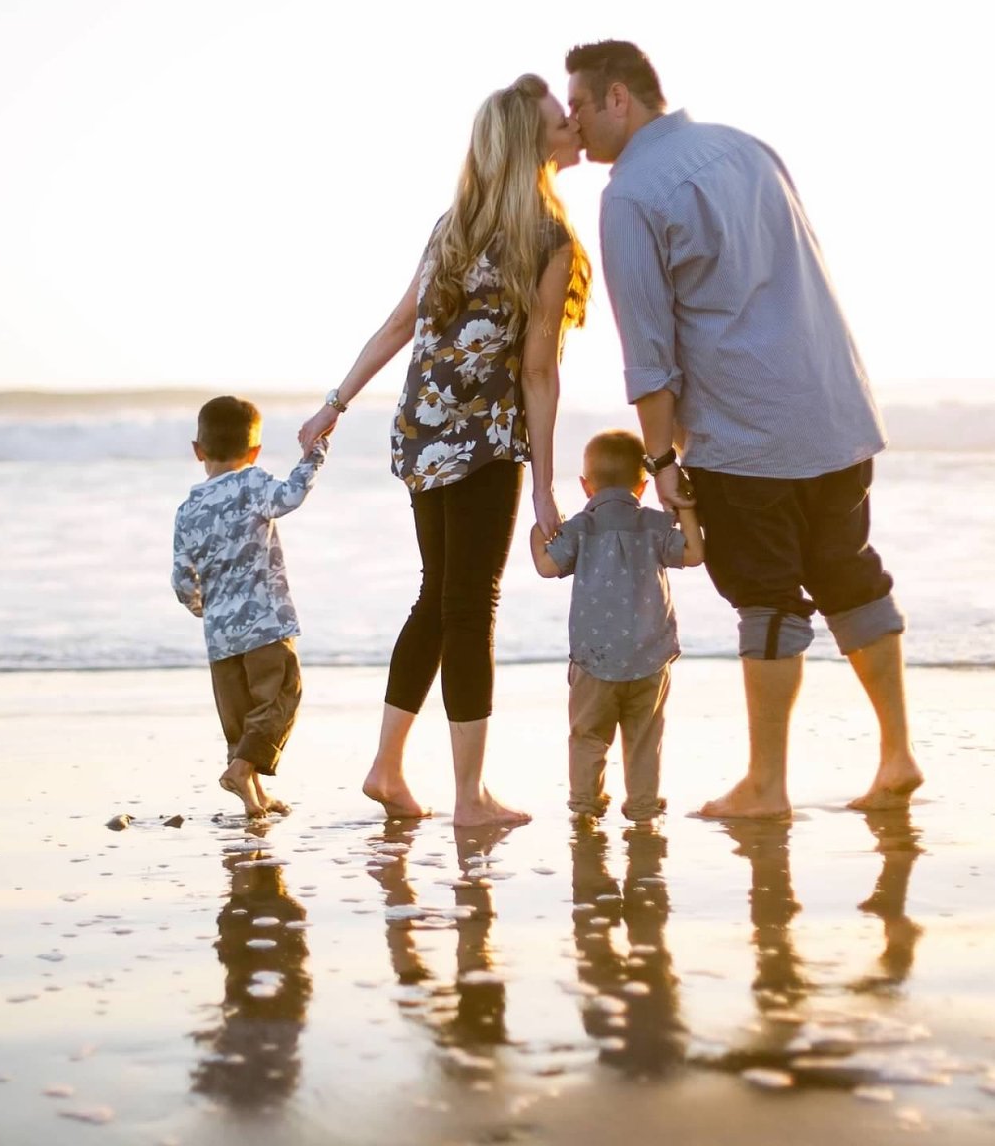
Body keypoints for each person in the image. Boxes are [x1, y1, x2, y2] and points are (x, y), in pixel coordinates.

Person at [564, 39, 924, 819]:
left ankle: (766, 784)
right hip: (833, 407)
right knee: (848, 572)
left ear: (618, 97)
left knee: (765, 595)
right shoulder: (747, 148)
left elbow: (648, 353)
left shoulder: (630, 195)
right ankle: (897, 754)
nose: (576, 125)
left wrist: (661, 461)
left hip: (746, 430)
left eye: (582, 107)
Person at [298, 73, 591, 827]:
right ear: (534, 142)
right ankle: (469, 799)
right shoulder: (547, 238)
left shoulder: (452, 225)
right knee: (471, 607)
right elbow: (537, 369)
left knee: (438, 594)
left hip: (422, 434)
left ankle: (388, 768)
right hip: (486, 443)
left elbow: (399, 327)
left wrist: (335, 404)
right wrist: (547, 488)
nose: (573, 130)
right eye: (561, 122)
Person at [528, 428, 703, 822]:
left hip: (594, 659)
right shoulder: (656, 526)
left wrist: (538, 533)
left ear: (586, 486)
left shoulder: (579, 528)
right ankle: (642, 805)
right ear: (642, 487)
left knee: (588, 735)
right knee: (644, 737)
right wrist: (685, 509)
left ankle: (586, 804)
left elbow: (547, 566)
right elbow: (694, 554)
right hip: (650, 657)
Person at [173, 395, 326, 818]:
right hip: (266, 624)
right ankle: (242, 770)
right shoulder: (253, 483)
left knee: (239, 716)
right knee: (281, 695)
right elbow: (291, 495)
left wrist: (202, 608)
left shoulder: (187, 510)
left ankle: (253, 795)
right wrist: (316, 453)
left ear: (198, 451)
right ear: (254, 451)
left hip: (220, 635)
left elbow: (182, 579)